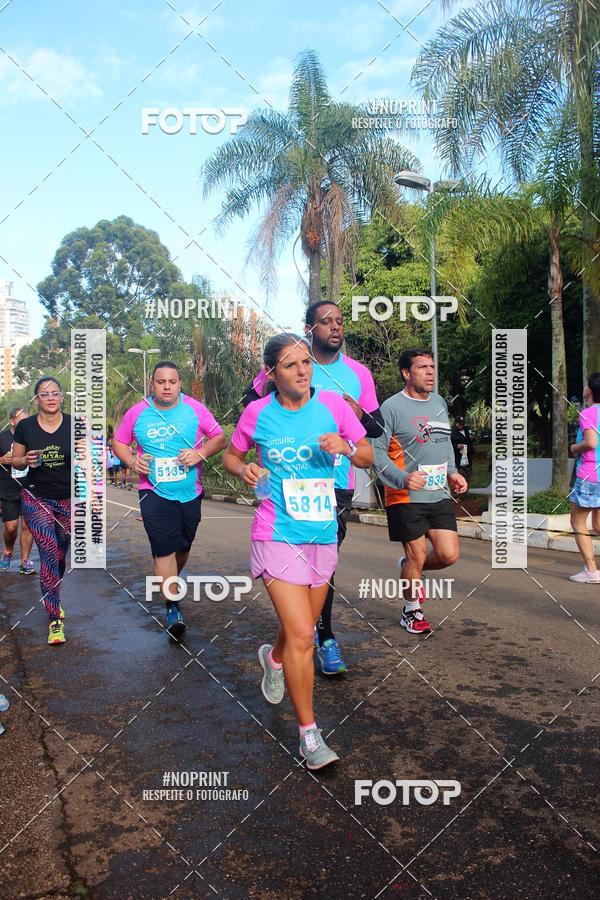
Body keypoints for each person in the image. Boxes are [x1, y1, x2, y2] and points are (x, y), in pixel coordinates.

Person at [224, 333, 373, 769]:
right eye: (291, 365)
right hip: (275, 531)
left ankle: (273, 658)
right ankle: (310, 736)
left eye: (306, 362)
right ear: (272, 373)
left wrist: (346, 447)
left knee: (300, 628)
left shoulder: (334, 408)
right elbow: (232, 457)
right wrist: (245, 468)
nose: (303, 371)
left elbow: (366, 453)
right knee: (305, 635)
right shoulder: (257, 413)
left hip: (322, 533)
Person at [242, 300, 384, 675]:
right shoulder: (285, 362)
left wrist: (353, 420)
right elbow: (252, 407)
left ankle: (314, 635)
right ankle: (317, 636)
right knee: (303, 567)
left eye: (339, 321)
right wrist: (253, 463)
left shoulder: (358, 374)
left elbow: (376, 427)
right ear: (309, 329)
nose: (335, 328)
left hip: (335, 485)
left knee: (324, 561)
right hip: (285, 488)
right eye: (326, 322)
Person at [113, 361, 227, 639]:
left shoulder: (194, 409)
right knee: (164, 550)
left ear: (179, 383)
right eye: (161, 381)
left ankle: (170, 578)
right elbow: (119, 441)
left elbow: (219, 438)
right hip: (153, 492)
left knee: (183, 546)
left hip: (190, 492)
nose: (166, 386)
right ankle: (172, 606)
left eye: (172, 382)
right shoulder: (138, 412)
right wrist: (131, 460)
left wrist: (199, 454)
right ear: (152, 383)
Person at [372, 348, 467, 635]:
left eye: (432, 366)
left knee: (448, 554)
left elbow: (445, 442)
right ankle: (411, 611)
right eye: (422, 367)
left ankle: (409, 567)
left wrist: (453, 471)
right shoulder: (390, 408)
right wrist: (402, 478)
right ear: (406, 373)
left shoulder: (438, 402)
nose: (430, 372)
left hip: (437, 493)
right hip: (405, 496)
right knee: (417, 556)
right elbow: (376, 453)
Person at [11, 377, 72, 645]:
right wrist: (25, 460)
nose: (50, 397)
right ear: (36, 399)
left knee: (60, 553)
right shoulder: (25, 426)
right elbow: (15, 460)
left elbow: (87, 459)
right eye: (44, 394)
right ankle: (54, 619)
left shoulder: (75, 424)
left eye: (55, 393)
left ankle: (53, 593)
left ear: (61, 397)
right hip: (36, 496)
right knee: (47, 551)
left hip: (69, 499)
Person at [568, 372, 600, 583]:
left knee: (577, 521)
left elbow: (591, 443)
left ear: (589, 390)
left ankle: (591, 570)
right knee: (598, 525)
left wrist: (574, 447)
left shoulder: (588, 413)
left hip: (589, 475)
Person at [0, 407, 36, 574]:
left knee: (28, 526)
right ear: (12, 421)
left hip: (30, 488)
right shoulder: (2, 438)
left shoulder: (33, 437)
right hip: (8, 488)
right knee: (11, 527)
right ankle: (8, 551)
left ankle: (25, 561)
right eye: (22, 420)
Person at [450, 415, 474, 481]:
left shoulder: (466, 429)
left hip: (468, 456)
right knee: (461, 475)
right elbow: (449, 445)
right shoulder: (452, 432)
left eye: (463, 424)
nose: (462, 426)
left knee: (468, 474)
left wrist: (471, 438)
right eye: (460, 424)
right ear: (456, 423)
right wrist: (456, 446)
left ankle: (467, 488)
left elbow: (469, 440)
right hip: (458, 457)